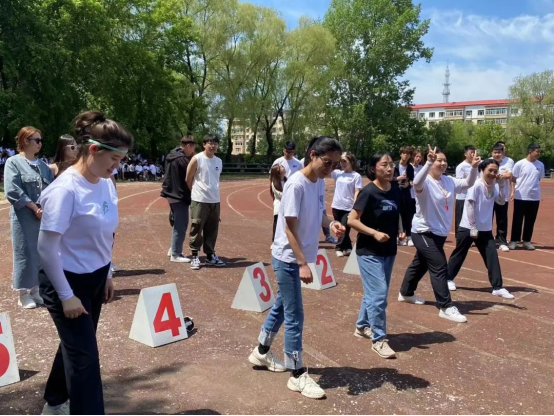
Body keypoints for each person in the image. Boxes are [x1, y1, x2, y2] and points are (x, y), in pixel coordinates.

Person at [37, 111, 133, 415]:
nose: (117, 167)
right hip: (65, 280)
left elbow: (105, 233)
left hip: (95, 277)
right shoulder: (64, 190)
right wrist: (66, 296)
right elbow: (46, 248)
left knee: (78, 345)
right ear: (93, 149)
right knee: (85, 360)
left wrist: (108, 273)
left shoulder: (105, 182)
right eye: (114, 159)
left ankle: (55, 400)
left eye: (121, 160)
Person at [247, 136, 345, 399]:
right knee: (295, 315)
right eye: (327, 162)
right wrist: (302, 262)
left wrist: (331, 224)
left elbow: (321, 212)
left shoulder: (319, 181)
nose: (330, 168)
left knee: (282, 306)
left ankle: (261, 351)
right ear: (313, 155)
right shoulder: (296, 184)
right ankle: (297, 373)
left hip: (298, 256)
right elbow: (289, 227)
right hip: (288, 258)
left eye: (335, 164)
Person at [398, 145, 480, 323]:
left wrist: (474, 168)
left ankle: (406, 292)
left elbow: (468, 183)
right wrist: (428, 162)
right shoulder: (425, 181)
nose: (442, 163)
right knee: (439, 264)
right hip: (423, 231)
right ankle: (446, 306)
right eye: (438, 160)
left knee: (420, 263)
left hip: (439, 233)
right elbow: (416, 183)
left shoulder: (449, 181)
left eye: (444, 160)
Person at [348, 151, 404, 359]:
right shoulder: (368, 192)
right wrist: (373, 233)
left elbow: (396, 212)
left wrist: (401, 229)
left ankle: (362, 326)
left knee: (375, 293)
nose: (390, 168)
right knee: (379, 295)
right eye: (384, 165)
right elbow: (352, 220)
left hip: (389, 251)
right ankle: (379, 339)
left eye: (391, 164)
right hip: (369, 251)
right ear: (373, 169)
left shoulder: (395, 190)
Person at [446, 159, 515, 299]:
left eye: (495, 171)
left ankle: (497, 287)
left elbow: (501, 202)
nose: (493, 173)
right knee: (460, 253)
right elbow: (470, 205)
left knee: (492, 256)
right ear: (482, 170)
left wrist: (502, 185)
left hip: (485, 229)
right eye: (490, 170)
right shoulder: (476, 185)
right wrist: (473, 227)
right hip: (468, 227)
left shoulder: (495, 185)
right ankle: (448, 278)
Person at [4, 127, 55, 309]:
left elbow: (51, 190)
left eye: (41, 140)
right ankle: (23, 294)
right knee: (24, 252)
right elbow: (12, 190)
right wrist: (34, 207)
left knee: (40, 252)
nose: (40, 144)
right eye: (37, 140)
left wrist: (45, 209)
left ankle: (35, 290)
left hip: (42, 215)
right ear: (25, 141)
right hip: (24, 216)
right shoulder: (13, 162)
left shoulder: (43, 166)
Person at [186, 134, 225, 270]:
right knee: (197, 227)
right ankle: (195, 256)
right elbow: (188, 178)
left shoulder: (219, 161)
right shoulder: (197, 159)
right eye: (210, 143)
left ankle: (210, 255)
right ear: (204, 144)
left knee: (212, 229)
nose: (213, 145)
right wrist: (196, 193)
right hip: (200, 199)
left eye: (215, 143)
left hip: (215, 200)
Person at [162, 135, 196, 263]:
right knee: (181, 225)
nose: (193, 151)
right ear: (188, 146)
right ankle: (176, 254)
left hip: (171, 193)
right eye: (193, 147)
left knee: (178, 222)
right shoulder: (182, 160)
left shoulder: (172, 155)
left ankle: (173, 248)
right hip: (178, 194)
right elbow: (189, 176)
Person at [509, 144, 545, 251]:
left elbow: (538, 179)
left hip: (534, 197)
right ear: (530, 151)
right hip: (520, 196)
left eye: (539, 152)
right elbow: (513, 178)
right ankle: (514, 241)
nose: (538, 153)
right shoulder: (520, 164)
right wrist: (513, 191)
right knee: (517, 219)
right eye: (537, 151)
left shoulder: (540, 165)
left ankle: (527, 241)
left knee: (530, 220)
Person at [331, 152, 363, 257]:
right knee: (340, 227)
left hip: (348, 207)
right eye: (341, 161)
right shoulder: (337, 173)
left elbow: (357, 192)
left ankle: (339, 247)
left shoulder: (356, 176)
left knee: (344, 228)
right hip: (336, 206)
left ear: (351, 162)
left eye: (345, 161)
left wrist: (355, 207)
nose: (343, 164)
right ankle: (348, 247)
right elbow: (327, 171)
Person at [491, 143, 514, 252]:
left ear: (502, 152)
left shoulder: (508, 161)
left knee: (502, 219)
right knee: (487, 218)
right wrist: (498, 176)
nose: (497, 154)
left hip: (502, 195)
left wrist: (498, 176)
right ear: (492, 153)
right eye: (495, 152)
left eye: (499, 152)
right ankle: (487, 239)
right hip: (489, 195)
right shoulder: (488, 161)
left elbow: (508, 175)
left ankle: (502, 241)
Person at [393, 146, 415, 246]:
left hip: (406, 192)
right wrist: (397, 179)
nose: (406, 155)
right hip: (395, 192)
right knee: (396, 214)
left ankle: (409, 236)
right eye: (404, 153)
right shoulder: (394, 165)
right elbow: (388, 177)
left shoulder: (410, 168)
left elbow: (411, 179)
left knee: (408, 214)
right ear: (401, 154)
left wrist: (409, 184)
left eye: (408, 154)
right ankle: (397, 236)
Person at [454, 146, 477, 236]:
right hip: (462, 197)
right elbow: (459, 182)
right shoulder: (461, 167)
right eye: (471, 152)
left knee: (472, 218)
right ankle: (458, 236)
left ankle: (471, 236)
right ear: (465, 154)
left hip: (473, 196)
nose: (473, 154)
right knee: (460, 218)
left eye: (474, 152)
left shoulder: (478, 165)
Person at [409, 149, 424, 247]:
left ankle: (418, 234)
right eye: (416, 156)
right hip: (410, 194)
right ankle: (409, 235)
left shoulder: (422, 168)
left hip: (420, 195)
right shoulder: (409, 167)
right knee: (410, 215)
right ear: (413, 157)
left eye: (420, 157)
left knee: (418, 214)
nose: (418, 158)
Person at [270, 164, 286, 243]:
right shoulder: (274, 183)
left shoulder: (287, 180)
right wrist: (289, 195)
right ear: (278, 172)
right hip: (279, 205)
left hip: (287, 205)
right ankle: (274, 241)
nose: (283, 167)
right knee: (277, 223)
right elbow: (279, 194)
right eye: (281, 167)